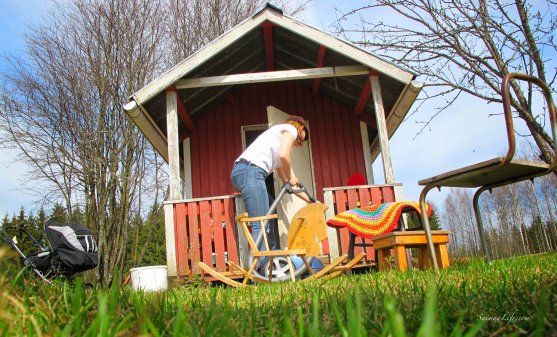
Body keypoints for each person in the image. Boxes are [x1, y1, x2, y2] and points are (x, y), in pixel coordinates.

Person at [231, 115, 312, 251]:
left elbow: (287, 181)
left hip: (244, 172)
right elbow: (283, 156)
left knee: (270, 212)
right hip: (251, 171)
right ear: (301, 127)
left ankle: (271, 257)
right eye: (304, 137)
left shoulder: (276, 140)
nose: (301, 143)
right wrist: (292, 176)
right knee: (261, 222)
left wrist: (310, 200)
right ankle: (263, 266)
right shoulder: (291, 129)